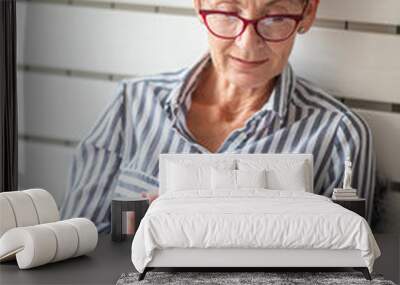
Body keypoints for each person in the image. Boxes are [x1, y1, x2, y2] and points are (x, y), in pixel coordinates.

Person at [60, 0, 376, 232]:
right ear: (200, 6)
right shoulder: (132, 103)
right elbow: (76, 243)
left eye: (276, 16)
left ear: (307, 14)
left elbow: (344, 268)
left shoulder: (340, 135)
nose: (247, 44)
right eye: (228, 12)